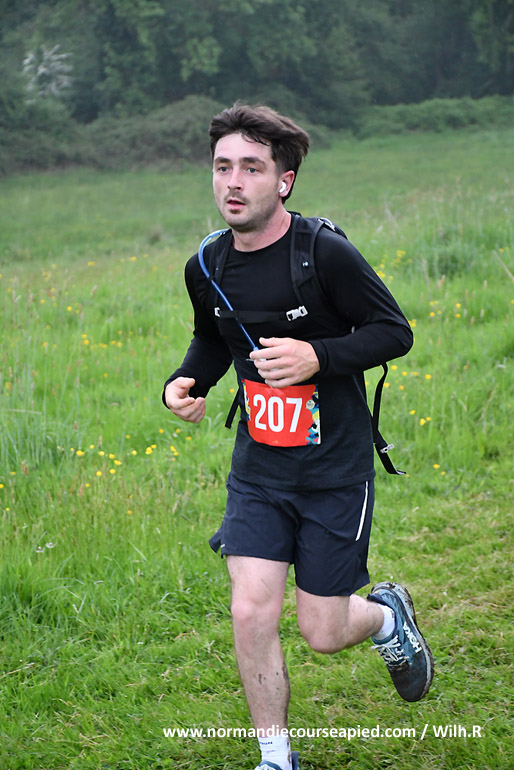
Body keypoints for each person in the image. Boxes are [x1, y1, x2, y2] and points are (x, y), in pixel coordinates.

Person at [162, 103, 433, 770]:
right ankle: (275, 757)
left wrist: (319, 356)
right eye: (223, 167)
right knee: (250, 610)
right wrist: (185, 382)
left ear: (284, 181)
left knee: (323, 630)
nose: (233, 182)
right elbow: (212, 338)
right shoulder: (206, 264)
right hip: (259, 470)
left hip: (335, 470)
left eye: (252, 168)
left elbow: (394, 332)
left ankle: (386, 617)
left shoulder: (324, 253)